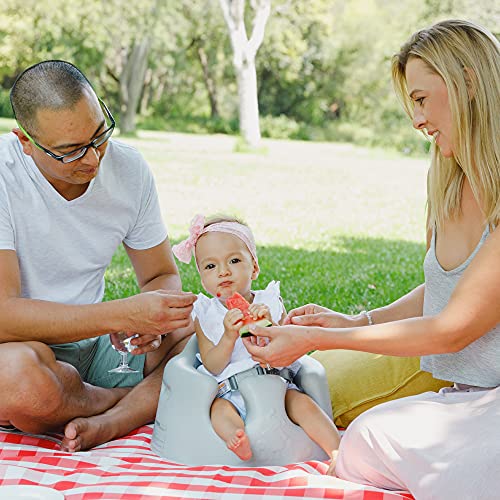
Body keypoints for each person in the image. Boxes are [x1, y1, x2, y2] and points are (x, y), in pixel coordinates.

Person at [244, 19, 500, 499]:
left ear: (468, 82)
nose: (416, 120)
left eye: (422, 100)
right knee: (366, 438)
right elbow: (449, 290)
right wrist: (351, 320)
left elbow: (453, 329)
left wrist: (316, 338)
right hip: (468, 400)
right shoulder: (447, 180)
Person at [0, 60, 197, 453]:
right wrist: (122, 314)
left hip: (100, 348)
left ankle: (109, 420)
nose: (93, 160)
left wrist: (150, 323)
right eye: (69, 152)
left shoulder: (129, 168)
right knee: (16, 378)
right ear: (25, 141)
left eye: (99, 134)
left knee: (203, 326)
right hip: (21, 348)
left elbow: (160, 275)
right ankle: (112, 402)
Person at [172, 214, 340, 463]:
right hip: (229, 392)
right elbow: (212, 364)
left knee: (304, 404)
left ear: (255, 267)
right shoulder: (206, 314)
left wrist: (269, 324)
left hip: (279, 385)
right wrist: (228, 336)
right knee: (218, 412)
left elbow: (289, 347)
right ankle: (237, 438)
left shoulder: (269, 300)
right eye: (210, 266)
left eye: (234, 260)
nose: (223, 271)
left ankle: (338, 452)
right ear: (202, 277)